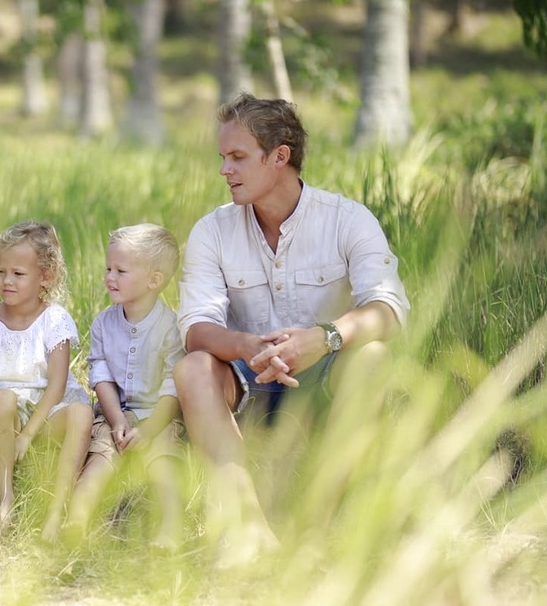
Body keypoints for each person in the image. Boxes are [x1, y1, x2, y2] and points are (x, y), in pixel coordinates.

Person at [174, 93, 411, 566]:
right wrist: (248, 345)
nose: (225, 169)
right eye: (223, 157)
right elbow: (196, 328)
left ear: (279, 156)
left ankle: (317, 528)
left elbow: (389, 310)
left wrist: (323, 338)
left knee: (373, 356)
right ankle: (249, 529)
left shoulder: (348, 220)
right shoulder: (212, 230)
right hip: (247, 384)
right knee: (194, 368)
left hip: (323, 382)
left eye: (237, 157)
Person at [61, 223, 187, 552]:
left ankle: (170, 530)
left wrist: (152, 427)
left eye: (121, 270)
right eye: (108, 269)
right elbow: (99, 372)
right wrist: (116, 420)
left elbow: (174, 383)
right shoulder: (104, 322)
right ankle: (77, 520)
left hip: (157, 416)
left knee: (163, 462)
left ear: (154, 280)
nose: (110, 277)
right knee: (100, 459)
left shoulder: (171, 326)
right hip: (115, 412)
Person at [0, 221, 93, 538]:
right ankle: (4, 502)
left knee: (82, 412)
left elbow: (57, 386)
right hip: (3, 414)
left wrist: (27, 436)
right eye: (0, 271)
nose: (6, 281)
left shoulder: (54, 320)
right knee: (3, 396)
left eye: (18, 274)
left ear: (45, 277)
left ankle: (55, 512)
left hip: (46, 414)